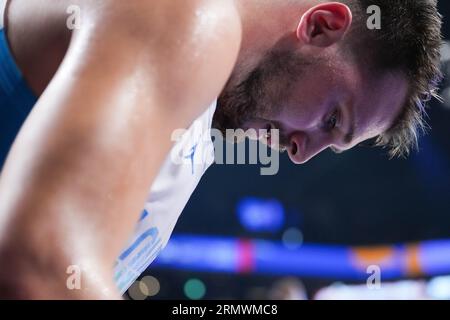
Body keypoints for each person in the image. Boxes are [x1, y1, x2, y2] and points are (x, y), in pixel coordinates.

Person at [0, 0, 442, 299]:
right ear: (321, 24)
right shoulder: (191, 16)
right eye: (331, 119)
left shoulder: (194, 121)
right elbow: (39, 262)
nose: (300, 154)